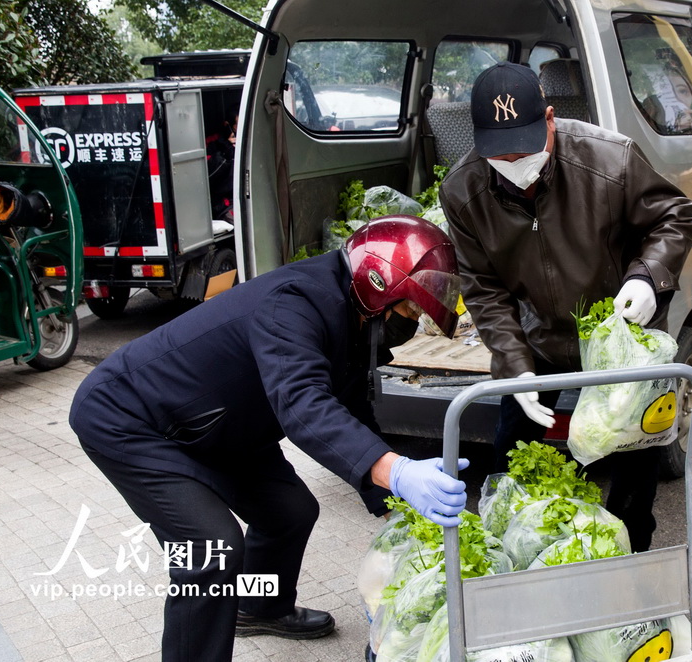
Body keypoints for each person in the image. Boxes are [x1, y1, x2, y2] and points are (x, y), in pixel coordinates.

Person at [69, 216, 469, 662]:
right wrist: (396, 472)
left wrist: (392, 497)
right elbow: (302, 404)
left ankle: (259, 608)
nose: (410, 323)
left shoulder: (352, 317)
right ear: (377, 287)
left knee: (290, 511)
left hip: (219, 421)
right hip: (130, 416)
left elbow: (351, 407)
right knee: (212, 550)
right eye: (409, 311)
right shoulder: (293, 303)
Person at [439, 62, 692, 551]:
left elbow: (674, 216)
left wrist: (648, 276)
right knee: (511, 456)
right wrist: (516, 369)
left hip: (623, 335)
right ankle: (513, 557)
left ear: (551, 120)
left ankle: (630, 558)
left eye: (526, 149)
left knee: (634, 468)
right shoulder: (463, 189)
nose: (515, 165)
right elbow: (484, 290)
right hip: (539, 340)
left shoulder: (609, 159)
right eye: (500, 156)